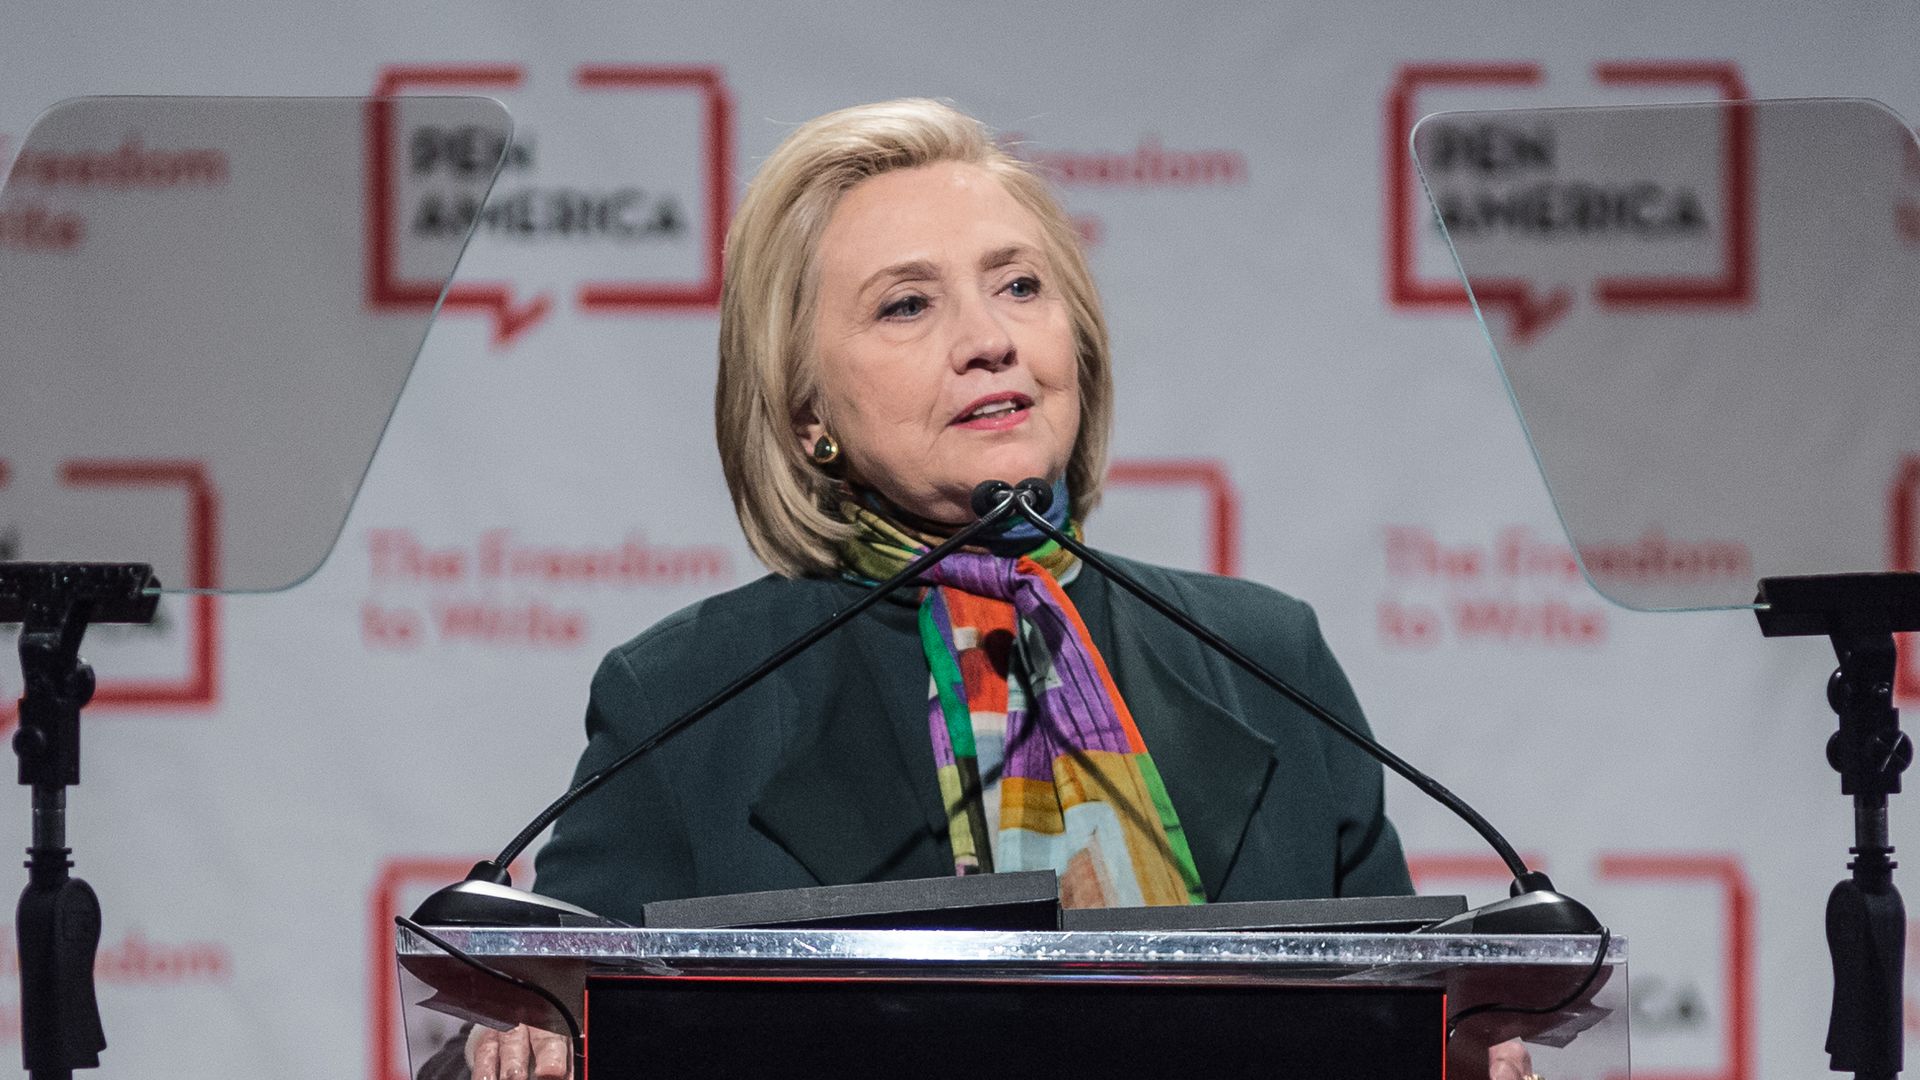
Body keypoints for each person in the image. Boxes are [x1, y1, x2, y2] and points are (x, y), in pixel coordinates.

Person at [452, 98, 1531, 1080]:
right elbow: (535, 1028)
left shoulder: (1267, 659)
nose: (990, 341)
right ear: (804, 411)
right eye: (907, 306)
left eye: (1020, 285)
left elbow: (1400, 1020)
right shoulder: (688, 698)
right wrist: (529, 1047)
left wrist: (1463, 1053)